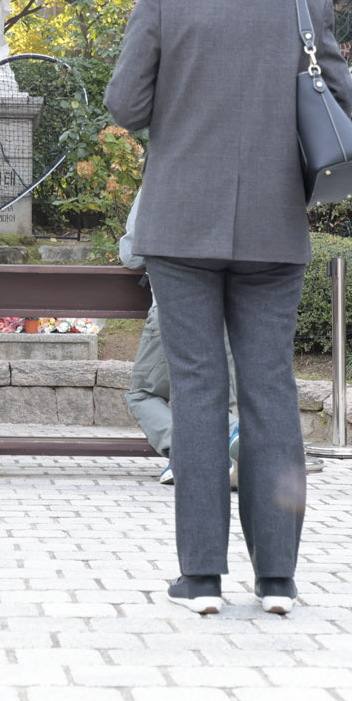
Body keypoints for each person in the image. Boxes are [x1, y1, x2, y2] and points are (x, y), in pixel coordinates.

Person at [104, 0, 352, 617]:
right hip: (276, 226)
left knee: (199, 392)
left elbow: (125, 101)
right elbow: (337, 100)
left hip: (180, 222)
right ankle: (277, 579)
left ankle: (201, 579)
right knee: (272, 390)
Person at [120, 193, 241, 487]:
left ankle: (183, 454)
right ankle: (236, 434)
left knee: (143, 394)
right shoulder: (233, 174)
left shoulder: (161, 176)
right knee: (219, 398)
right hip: (227, 307)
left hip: (173, 305)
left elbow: (133, 253)